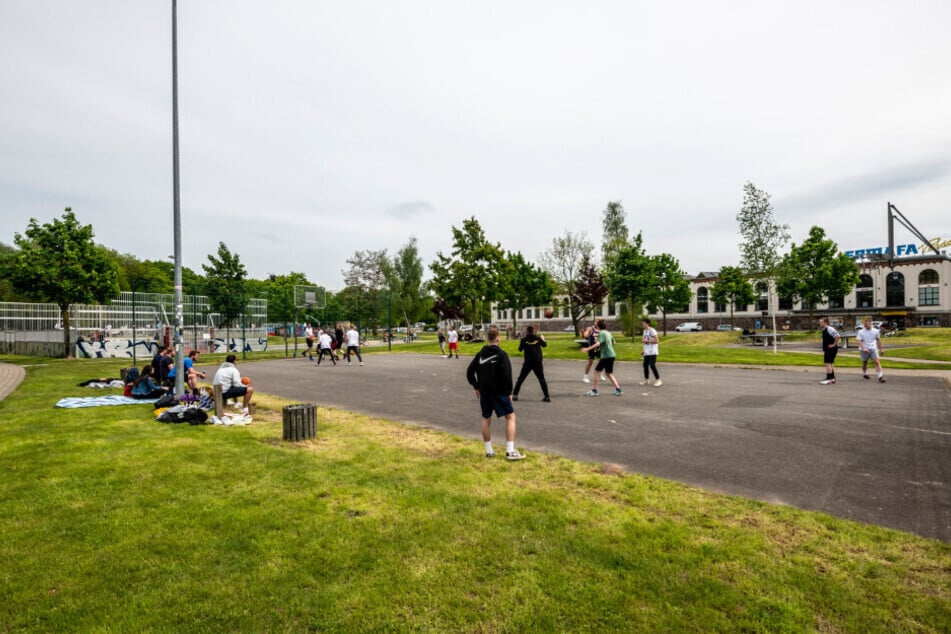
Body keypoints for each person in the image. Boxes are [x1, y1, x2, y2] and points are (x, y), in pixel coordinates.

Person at [466, 325, 525, 460]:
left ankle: (489, 451)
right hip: (499, 392)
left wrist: (476, 386)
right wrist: (509, 392)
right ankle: (510, 451)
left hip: (485, 393)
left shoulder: (480, 355)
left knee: (486, 419)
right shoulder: (502, 355)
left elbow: (469, 372)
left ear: (487, 339)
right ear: (498, 339)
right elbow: (507, 376)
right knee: (510, 417)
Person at [582, 318, 622, 396]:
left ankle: (594, 390)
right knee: (609, 373)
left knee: (596, 371)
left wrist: (587, 349)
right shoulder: (608, 333)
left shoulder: (601, 333)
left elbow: (597, 344)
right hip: (612, 355)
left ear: (599, 326)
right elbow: (614, 343)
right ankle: (618, 389)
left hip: (606, 356)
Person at [512, 325, 550, 402]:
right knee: (541, 379)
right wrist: (543, 339)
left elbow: (520, 349)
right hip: (537, 362)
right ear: (533, 331)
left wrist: (522, 340)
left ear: (527, 331)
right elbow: (545, 345)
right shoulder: (538, 339)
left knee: (521, 378)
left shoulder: (524, 340)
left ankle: (515, 395)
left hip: (528, 362)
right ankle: (547, 396)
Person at [857, 318, 886, 383]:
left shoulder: (876, 331)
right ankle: (865, 374)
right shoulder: (861, 332)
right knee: (865, 362)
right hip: (863, 349)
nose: (865, 325)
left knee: (876, 361)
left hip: (873, 348)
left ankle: (880, 377)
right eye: (864, 324)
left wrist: (881, 349)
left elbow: (878, 340)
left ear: (870, 323)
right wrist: (863, 348)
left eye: (866, 324)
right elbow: (859, 341)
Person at [818, 317, 841, 385]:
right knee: (829, 363)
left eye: (821, 322)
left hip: (831, 349)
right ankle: (833, 378)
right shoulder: (824, 329)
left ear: (825, 322)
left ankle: (829, 379)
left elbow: (837, 336)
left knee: (828, 363)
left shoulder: (829, 329)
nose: (820, 323)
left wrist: (834, 344)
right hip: (827, 349)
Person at [640, 318, 662, 387]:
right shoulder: (644, 331)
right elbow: (645, 341)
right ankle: (647, 380)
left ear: (647, 324)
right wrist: (643, 350)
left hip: (653, 352)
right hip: (647, 352)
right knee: (645, 365)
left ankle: (658, 380)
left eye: (643, 323)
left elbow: (657, 341)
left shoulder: (652, 330)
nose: (642, 324)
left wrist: (646, 341)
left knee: (652, 365)